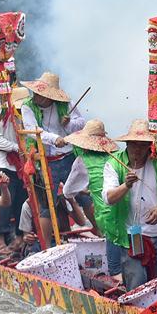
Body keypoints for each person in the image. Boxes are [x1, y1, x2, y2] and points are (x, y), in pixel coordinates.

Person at [102, 119, 157, 291]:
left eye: (142, 145)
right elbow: (108, 198)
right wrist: (126, 185)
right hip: (132, 236)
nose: (137, 150)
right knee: (137, 286)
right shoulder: (114, 164)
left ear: (149, 146)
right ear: (127, 145)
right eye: (133, 145)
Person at [20, 71, 88, 236]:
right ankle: (48, 247)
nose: (36, 95)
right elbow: (33, 131)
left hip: (68, 156)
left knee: (84, 196)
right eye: (36, 91)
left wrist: (68, 123)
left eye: (40, 93)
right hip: (46, 160)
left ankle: (101, 235)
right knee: (45, 205)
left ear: (50, 96)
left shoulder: (65, 103)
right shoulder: (27, 106)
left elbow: (81, 124)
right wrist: (54, 138)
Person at [63, 119, 123, 277]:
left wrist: (83, 191)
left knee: (115, 268)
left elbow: (68, 191)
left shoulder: (82, 160)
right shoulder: (117, 156)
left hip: (109, 217)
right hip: (127, 212)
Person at [0, 87, 29, 250]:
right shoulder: (3, 115)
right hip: (3, 162)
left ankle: (20, 236)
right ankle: (0, 239)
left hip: (19, 164)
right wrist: (14, 147)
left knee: (21, 198)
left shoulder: (27, 116)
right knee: (7, 200)